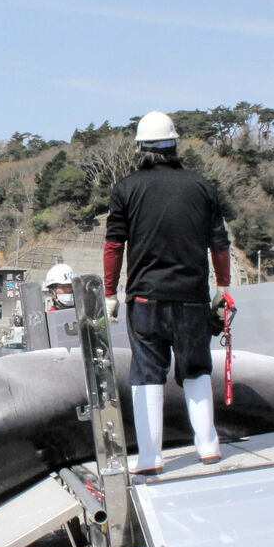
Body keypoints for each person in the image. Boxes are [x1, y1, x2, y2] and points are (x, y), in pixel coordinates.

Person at [103, 110, 233, 475]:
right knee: (196, 369)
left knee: (146, 373)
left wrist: (110, 294)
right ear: (174, 145)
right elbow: (219, 243)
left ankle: (149, 458)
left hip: (145, 300)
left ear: (140, 149)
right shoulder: (202, 187)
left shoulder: (126, 189)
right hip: (193, 297)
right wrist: (222, 287)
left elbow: (113, 246)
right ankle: (207, 447)